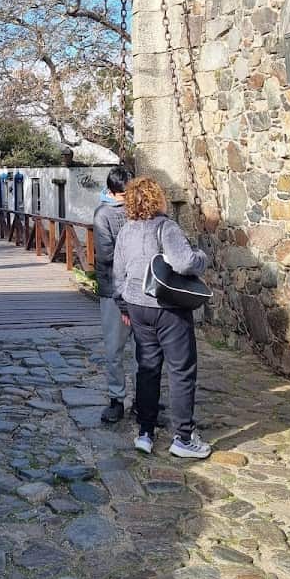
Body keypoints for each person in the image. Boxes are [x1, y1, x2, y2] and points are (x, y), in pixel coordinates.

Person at [113, 177, 212, 460]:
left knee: (147, 367)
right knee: (181, 371)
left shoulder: (125, 232)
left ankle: (145, 432)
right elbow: (184, 262)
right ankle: (183, 437)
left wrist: (124, 308)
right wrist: (201, 258)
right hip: (167, 307)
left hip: (136, 306)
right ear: (157, 199)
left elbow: (118, 275)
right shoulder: (165, 227)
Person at [92, 165, 133, 424]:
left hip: (134, 289)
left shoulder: (105, 214)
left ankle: (136, 399)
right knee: (117, 348)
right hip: (115, 288)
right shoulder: (104, 215)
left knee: (138, 349)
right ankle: (118, 398)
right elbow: (105, 255)